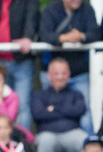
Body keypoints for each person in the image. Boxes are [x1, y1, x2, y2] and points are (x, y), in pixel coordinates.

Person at [40, 0, 99, 135]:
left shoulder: (87, 9)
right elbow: (45, 35)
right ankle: (51, 142)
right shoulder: (50, 9)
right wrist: (64, 38)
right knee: (49, 110)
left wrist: (81, 36)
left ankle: (89, 144)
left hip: (79, 72)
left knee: (84, 112)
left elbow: (95, 34)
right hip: (52, 73)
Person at [0, 0, 38, 130]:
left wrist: (28, 37)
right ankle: (3, 138)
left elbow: (32, 20)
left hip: (22, 61)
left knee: (22, 104)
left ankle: (21, 138)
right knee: (1, 103)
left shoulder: (28, 2)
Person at [31, 58, 87, 152]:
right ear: (49, 75)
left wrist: (53, 108)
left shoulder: (76, 94)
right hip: (47, 134)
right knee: (45, 142)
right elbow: (38, 114)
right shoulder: (39, 95)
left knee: (85, 142)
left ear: (69, 74)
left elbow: (80, 111)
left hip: (72, 133)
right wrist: (66, 109)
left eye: (64, 73)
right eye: (56, 73)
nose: (60, 77)